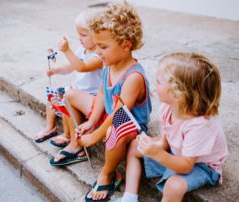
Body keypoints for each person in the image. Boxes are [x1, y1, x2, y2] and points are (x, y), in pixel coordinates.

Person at [50, 2, 152, 201]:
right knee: (70, 94)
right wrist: (91, 121)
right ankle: (77, 144)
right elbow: (101, 93)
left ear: (126, 45)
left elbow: (119, 114)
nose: (97, 52)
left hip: (129, 125)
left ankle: (108, 173)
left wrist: (95, 135)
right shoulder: (109, 63)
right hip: (108, 114)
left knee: (115, 131)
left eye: (103, 47)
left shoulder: (133, 77)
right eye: (96, 46)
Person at [119, 52, 229, 202]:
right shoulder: (168, 107)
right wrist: (154, 145)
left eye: (159, 82)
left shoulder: (200, 125)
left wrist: (158, 154)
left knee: (174, 186)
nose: (154, 84)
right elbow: (166, 139)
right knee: (134, 146)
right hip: (178, 152)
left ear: (178, 93)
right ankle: (129, 197)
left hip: (201, 164)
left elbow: (186, 166)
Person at [33, 9, 103, 147]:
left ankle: (66, 134)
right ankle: (50, 127)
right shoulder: (81, 50)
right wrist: (56, 70)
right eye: (79, 35)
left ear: (98, 35)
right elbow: (71, 66)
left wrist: (67, 50)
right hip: (78, 90)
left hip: (91, 96)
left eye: (83, 35)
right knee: (53, 96)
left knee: (65, 99)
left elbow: (81, 67)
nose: (80, 39)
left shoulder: (99, 55)